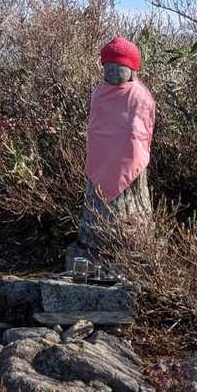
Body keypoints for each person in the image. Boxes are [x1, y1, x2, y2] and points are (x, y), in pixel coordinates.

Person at [71, 36, 156, 272]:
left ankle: (131, 232)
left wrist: (130, 143)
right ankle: (95, 230)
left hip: (130, 164)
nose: (114, 73)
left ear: (133, 69)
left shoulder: (140, 95)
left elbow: (141, 130)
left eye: (120, 68)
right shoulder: (99, 93)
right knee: (97, 204)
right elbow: (96, 127)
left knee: (131, 212)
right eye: (109, 68)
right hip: (100, 157)